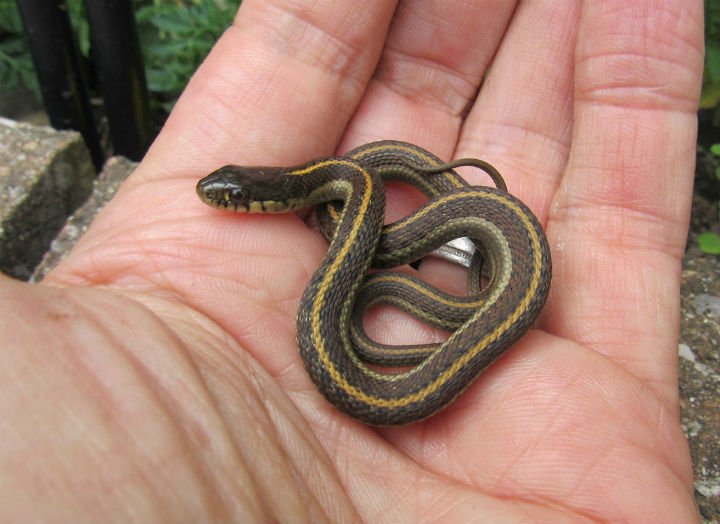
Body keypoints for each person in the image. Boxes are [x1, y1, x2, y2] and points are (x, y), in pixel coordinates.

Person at [0, 0, 703, 520]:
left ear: (274, 199)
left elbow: (373, 236)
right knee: (382, 235)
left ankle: (472, 269)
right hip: (392, 268)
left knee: (432, 251)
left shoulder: (347, 190)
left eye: (234, 197)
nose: (225, 201)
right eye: (230, 195)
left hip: (458, 255)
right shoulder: (348, 189)